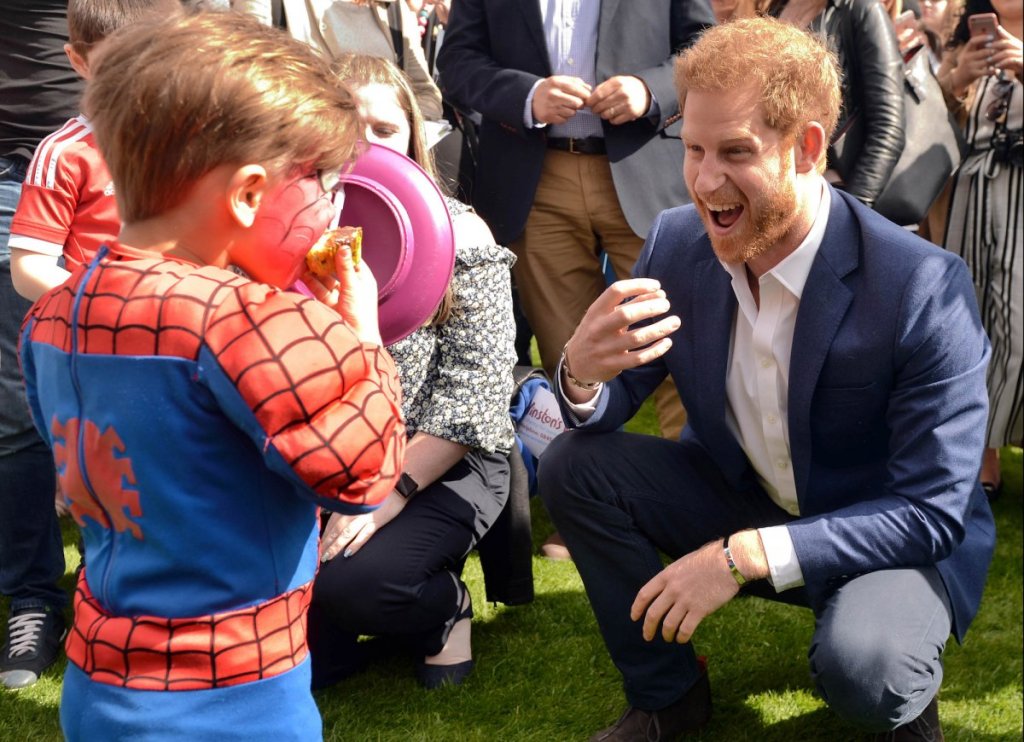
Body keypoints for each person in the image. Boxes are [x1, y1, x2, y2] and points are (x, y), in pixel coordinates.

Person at [539, 17, 994, 742]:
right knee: (575, 466)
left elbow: (932, 510)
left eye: (735, 152)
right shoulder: (677, 242)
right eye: (691, 148)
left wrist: (743, 557)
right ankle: (668, 697)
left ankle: (900, 682)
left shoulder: (919, 285)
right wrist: (580, 373)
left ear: (808, 147)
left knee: (867, 666)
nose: (704, 180)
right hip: (745, 496)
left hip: (884, 531)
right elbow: (599, 408)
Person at [18, 11, 405, 740]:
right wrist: (361, 337)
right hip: (238, 700)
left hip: (98, 685)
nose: (328, 205)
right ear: (251, 193)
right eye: (319, 180)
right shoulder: (251, 321)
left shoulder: (51, 316)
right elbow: (360, 474)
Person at [436, 0, 713, 559]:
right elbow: (458, 63)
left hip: (644, 172)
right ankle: (593, 502)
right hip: (535, 179)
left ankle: (704, 503)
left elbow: (705, 49)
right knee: (575, 356)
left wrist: (649, 89)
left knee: (680, 341)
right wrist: (524, 96)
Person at [308, 53, 518, 690]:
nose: (366, 146)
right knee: (312, 644)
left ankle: (441, 607)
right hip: (326, 461)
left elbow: (473, 396)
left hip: (440, 457)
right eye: (347, 129)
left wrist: (381, 502)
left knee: (359, 584)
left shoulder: (463, 235)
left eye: (384, 129)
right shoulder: (285, 237)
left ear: (413, 138)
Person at [0, 0, 84, 692]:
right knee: (18, 402)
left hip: (134, 153)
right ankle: (34, 599)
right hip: (14, 169)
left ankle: (127, 591)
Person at [10, 0, 180, 303]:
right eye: (116, 66)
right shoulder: (64, 154)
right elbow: (29, 267)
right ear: (79, 61)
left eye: (155, 62)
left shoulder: (191, 143)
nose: (135, 80)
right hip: (100, 332)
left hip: (189, 321)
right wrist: (105, 300)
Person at [939, 0, 1022, 497]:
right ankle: (981, 457)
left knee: (1018, 322)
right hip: (970, 193)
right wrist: (954, 81)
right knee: (968, 322)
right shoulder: (963, 35)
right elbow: (927, 115)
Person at [768, 0, 906, 210]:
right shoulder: (775, 9)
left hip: (830, 196)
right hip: (776, 190)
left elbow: (888, 126)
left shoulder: (862, 10)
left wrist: (853, 210)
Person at [235, 0, 443, 121]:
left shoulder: (395, 10)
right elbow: (249, 83)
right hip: (302, 159)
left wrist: (390, 126)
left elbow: (427, 95)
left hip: (379, 167)